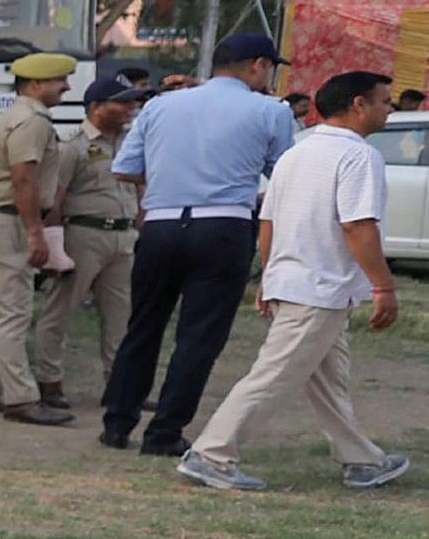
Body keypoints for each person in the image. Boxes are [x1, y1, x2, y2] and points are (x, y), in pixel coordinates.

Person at [179, 70, 408, 492]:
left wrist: (270, 276)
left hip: (298, 282)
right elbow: (357, 225)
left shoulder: (297, 152)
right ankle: (212, 454)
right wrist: (384, 286)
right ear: (358, 104)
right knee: (274, 375)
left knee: (328, 380)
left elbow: (268, 220)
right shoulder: (358, 155)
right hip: (319, 288)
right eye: (384, 101)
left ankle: (362, 459)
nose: (389, 109)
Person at [100, 29, 298, 456]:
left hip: (162, 223)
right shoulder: (271, 110)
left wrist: (174, 178)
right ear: (258, 66)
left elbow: (125, 169)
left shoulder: (160, 106)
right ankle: (165, 431)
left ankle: (117, 422)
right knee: (199, 335)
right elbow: (284, 174)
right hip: (224, 225)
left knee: (144, 325)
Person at [0, 50, 79, 424]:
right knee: (12, 312)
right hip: (8, 223)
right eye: (60, 80)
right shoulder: (32, 122)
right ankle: (21, 398)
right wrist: (35, 231)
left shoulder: (10, 117)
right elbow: (24, 178)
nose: (66, 87)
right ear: (36, 84)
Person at [38, 65, 151, 408]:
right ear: (96, 107)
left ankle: (119, 385)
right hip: (83, 234)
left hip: (122, 237)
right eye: (122, 103)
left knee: (122, 315)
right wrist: (55, 247)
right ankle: (49, 381)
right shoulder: (73, 145)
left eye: (133, 102)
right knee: (61, 310)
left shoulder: (131, 143)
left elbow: (140, 184)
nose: (130, 108)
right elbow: (54, 197)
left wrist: (141, 223)